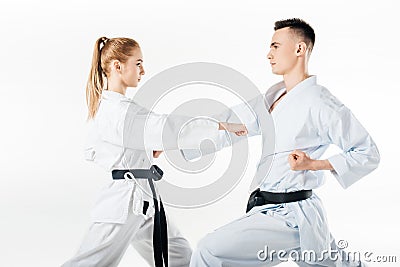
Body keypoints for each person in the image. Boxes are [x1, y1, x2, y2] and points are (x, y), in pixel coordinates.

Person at [189, 18, 380, 266]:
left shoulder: (320, 101)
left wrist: (314, 164)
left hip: (292, 217)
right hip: (270, 210)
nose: (268, 54)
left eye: (275, 46)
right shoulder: (275, 96)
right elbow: (231, 123)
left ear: (299, 49)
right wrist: (173, 141)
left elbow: (367, 152)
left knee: (209, 250)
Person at [62, 37, 247, 267]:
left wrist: (144, 149)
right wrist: (219, 124)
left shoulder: (114, 108)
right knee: (89, 263)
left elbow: (123, 140)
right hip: (124, 202)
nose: (143, 70)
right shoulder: (117, 110)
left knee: (180, 258)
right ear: (117, 66)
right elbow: (163, 127)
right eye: (137, 63)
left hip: (143, 200)